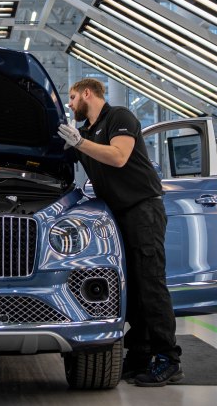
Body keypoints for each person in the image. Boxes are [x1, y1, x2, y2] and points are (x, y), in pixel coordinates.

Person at [57, 78, 182, 387]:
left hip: (143, 210)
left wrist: (80, 144)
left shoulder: (120, 117)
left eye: (72, 98)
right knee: (133, 289)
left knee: (151, 285)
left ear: (87, 93)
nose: (71, 105)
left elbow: (118, 156)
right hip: (115, 214)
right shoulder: (84, 132)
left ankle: (169, 359)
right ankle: (139, 356)